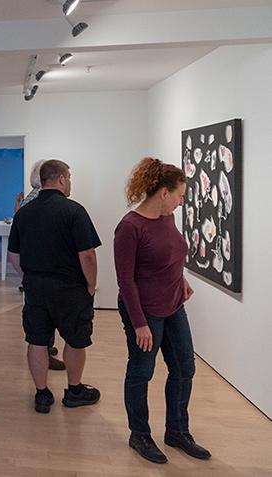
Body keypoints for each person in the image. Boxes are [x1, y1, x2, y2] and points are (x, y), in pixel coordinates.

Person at [115, 157, 210, 464]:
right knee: (142, 372)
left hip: (173, 306)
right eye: (180, 195)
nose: (182, 202)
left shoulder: (167, 217)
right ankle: (139, 435)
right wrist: (139, 323)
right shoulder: (129, 227)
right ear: (164, 192)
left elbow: (168, 253)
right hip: (144, 312)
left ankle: (177, 431)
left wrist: (180, 279)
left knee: (185, 368)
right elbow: (125, 280)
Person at [8, 159, 101, 414]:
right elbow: (88, 255)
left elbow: (13, 256)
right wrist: (91, 284)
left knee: (37, 341)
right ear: (60, 179)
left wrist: (28, 277)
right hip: (70, 288)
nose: (70, 182)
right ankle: (74, 391)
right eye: (69, 177)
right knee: (75, 339)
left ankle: (42, 394)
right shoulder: (74, 211)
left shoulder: (23, 213)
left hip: (36, 287)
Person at [13, 160, 66, 371]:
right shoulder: (40, 202)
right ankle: (45, 349)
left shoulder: (29, 199)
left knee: (39, 314)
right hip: (45, 270)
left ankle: (45, 348)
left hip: (33, 270)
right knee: (44, 315)